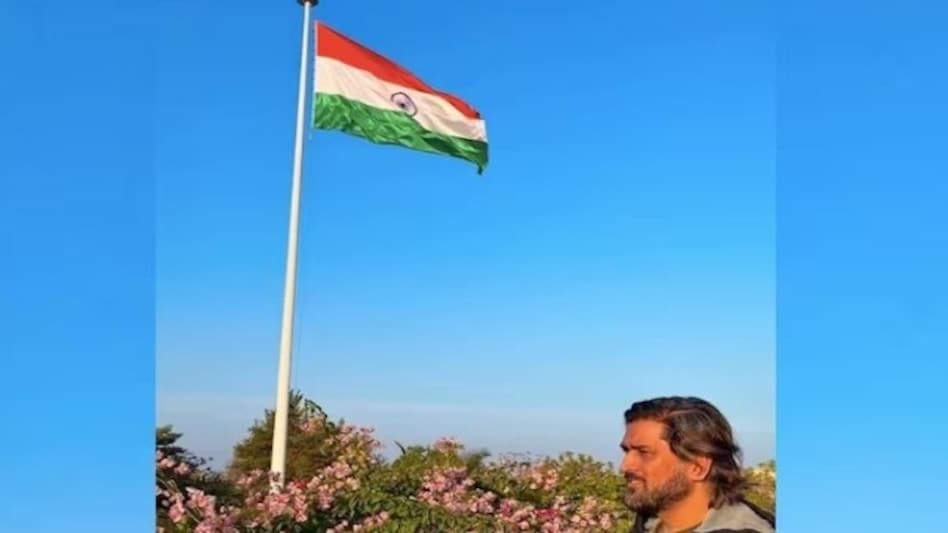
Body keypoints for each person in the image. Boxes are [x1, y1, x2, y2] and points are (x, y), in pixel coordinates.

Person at [620, 396, 775, 533]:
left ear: (697, 467)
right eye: (626, 451)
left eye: (644, 452)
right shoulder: (647, 524)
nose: (625, 466)